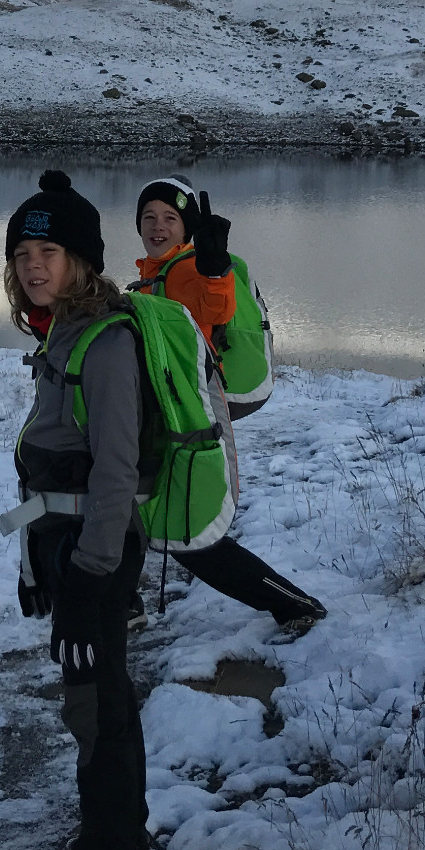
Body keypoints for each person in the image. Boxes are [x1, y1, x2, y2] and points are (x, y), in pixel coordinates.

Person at [5, 170, 148, 850]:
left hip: (96, 553)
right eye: (24, 256)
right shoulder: (63, 331)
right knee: (101, 696)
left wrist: (90, 580)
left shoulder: (106, 343)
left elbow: (116, 473)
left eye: (50, 254)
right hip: (66, 547)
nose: (33, 267)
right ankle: (119, 837)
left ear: (83, 262)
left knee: (96, 706)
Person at [131, 176, 324, 631]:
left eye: (170, 219)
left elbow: (214, 307)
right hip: (160, 416)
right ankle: (124, 606)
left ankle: (293, 604)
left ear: (186, 227)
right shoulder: (155, 275)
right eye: (149, 217)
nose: (158, 227)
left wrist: (215, 271)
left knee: (193, 537)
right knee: (131, 508)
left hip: (187, 419)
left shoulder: (186, 270)